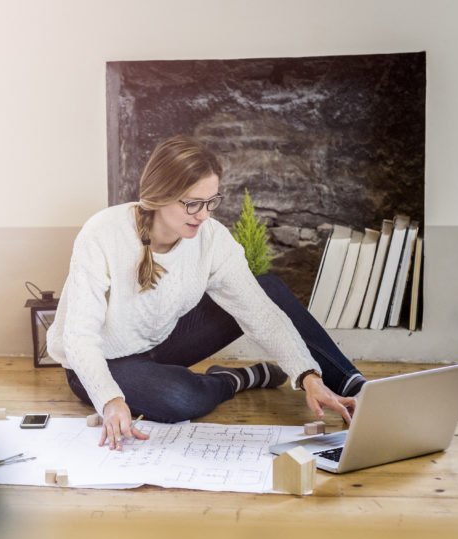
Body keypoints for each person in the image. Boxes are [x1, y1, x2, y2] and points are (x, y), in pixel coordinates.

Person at [46, 134, 365, 450]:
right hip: (101, 360)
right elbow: (79, 337)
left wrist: (308, 376)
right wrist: (110, 399)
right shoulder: (102, 234)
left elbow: (260, 312)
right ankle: (234, 380)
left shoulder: (212, 238)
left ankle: (354, 389)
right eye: (192, 204)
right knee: (180, 398)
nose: (203, 215)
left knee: (268, 289)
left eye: (211, 202)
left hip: (159, 343)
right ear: (160, 195)